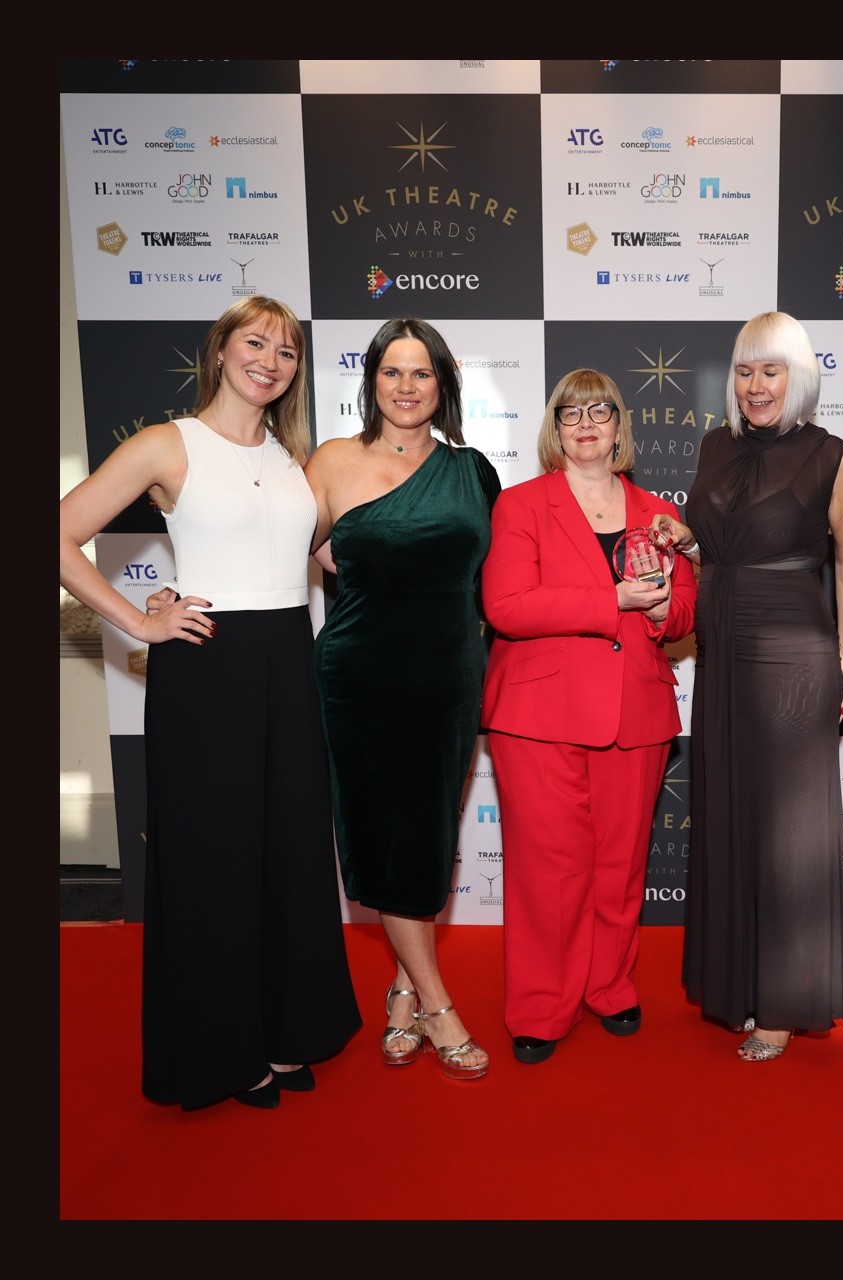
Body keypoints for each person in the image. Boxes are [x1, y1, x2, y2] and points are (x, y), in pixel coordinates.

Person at [58, 297, 360, 1110]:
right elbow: (60, 531)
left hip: (290, 664)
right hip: (207, 669)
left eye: (287, 351)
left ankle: (288, 1029)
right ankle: (226, 1052)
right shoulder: (169, 443)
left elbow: (334, 558)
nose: (270, 360)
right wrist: (140, 621)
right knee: (214, 864)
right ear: (221, 350)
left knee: (291, 856)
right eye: (255, 342)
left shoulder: (294, 459)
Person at [651, 311, 843, 1060]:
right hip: (721, 653)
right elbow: (724, 540)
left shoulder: (835, 458)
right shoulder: (717, 445)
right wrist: (686, 537)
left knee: (788, 833)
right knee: (730, 814)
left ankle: (783, 999)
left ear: (798, 376)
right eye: (745, 371)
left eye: (771, 370)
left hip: (792, 655)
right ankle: (739, 982)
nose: (755, 385)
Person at [479, 370, 696, 1065]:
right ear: (555, 428)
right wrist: (614, 601)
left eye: (599, 412)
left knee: (620, 864)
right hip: (538, 714)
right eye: (570, 414)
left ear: (619, 425)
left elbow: (683, 612)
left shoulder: (657, 512)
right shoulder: (521, 504)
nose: (585, 425)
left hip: (636, 708)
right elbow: (506, 606)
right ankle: (543, 1005)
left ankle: (609, 986)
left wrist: (661, 606)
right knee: (549, 870)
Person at [306, 317, 502, 1081]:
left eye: (422, 373)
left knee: (424, 837)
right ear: (371, 380)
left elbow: (501, 579)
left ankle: (401, 994)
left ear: (443, 384)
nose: (407, 386)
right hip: (360, 677)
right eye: (392, 371)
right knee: (385, 835)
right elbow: (284, 551)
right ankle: (439, 1006)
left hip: (449, 677)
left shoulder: (473, 470)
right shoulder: (333, 461)